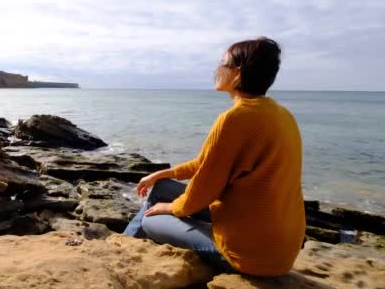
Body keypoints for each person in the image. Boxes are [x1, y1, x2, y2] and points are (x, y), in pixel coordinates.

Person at [123, 37, 306, 276]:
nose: (217, 69)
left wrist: (171, 208)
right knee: (161, 187)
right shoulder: (282, 114)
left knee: (150, 218)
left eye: (223, 63)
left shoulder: (234, 119)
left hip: (249, 256)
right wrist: (161, 173)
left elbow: (202, 192)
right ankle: (124, 244)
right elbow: (205, 163)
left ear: (237, 74)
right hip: (280, 248)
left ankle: (119, 249)